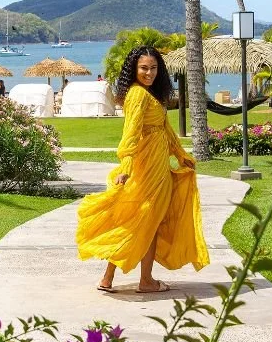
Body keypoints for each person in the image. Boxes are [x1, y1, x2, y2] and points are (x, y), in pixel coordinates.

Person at [76, 46, 209, 294]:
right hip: (147, 169)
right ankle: (145, 281)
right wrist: (126, 165)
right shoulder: (138, 95)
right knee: (148, 222)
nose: (149, 73)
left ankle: (108, 278)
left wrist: (180, 155)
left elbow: (166, 130)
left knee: (137, 220)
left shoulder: (150, 94)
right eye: (144, 68)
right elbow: (131, 133)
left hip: (157, 167)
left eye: (154, 68)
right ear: (133, 70)